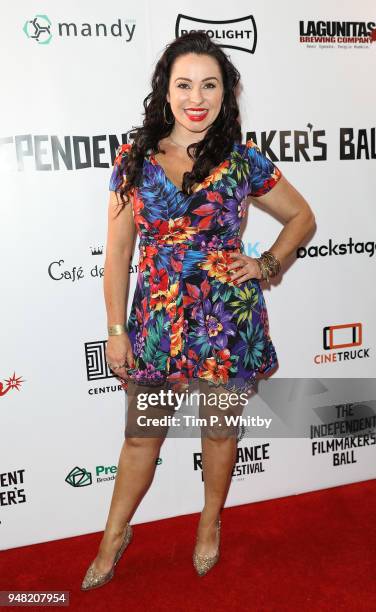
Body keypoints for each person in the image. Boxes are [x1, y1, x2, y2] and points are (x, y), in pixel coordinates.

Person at [81, 31, 315, 590]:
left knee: (219, 430)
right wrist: (116, 332)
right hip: (159, 323)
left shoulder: (244, 159)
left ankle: (209, 523)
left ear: (225, 93)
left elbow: (302, 218)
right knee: (142, 435)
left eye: (209, 85)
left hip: (226, 322)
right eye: (184, 84)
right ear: (165, 91)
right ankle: (114, 534)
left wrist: (266, 265)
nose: (197, 97)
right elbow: (117, 254)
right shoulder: (134, 159)